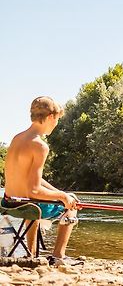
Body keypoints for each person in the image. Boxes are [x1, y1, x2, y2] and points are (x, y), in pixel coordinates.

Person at [2, 96, 78, 264]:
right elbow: (34, 190)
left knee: (57, 198)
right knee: (71, 207)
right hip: (28, 205)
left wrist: (60, 193)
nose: (56, 124)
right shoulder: (40, 146)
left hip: (8, 203)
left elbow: (30, 180)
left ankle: (32, 254)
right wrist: (64, 198)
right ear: (51, 117)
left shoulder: (17, 138)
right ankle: (59, 256)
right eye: (57, 120)